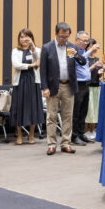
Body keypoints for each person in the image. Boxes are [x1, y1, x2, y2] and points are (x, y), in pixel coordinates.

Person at [40, 22, 87, 155]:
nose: (64, 40)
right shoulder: (47, 47)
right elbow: (42, 70)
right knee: (51, 116)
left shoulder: (72, 47)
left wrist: (76, 55)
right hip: (53, 86)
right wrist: (44, 87)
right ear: (56, 34)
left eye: (66, 37)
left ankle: (66, 143)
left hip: (69, 85)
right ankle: (51, 144)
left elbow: (83, 62)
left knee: (68, 116)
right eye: (61, 37)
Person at [10, 28, 42, 145]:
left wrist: (32, 47)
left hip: (33, 81)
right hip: (20, 81)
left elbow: (38, 61)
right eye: (22, 37)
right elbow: (16, 65)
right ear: (19, 39)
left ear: (31, 38)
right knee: (19, 107)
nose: (24, 39)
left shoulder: (37, 50)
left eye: (27, 37)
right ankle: (19, 135)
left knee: (33, 107)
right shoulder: (15, 51)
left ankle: (31, 134)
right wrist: (30, 65)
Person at [71, 31, 98, 146]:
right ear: (76, 40)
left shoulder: (83, 51)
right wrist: (90, 51)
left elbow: (85, 67)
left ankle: (81, 133)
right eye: (83, 40)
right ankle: (74, 135)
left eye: (87, 41)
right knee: (76, 111)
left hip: (86, 83)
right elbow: (80, 61)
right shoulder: (72, 50)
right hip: (77, 84)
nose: (85, 43)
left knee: (84, 111)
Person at [84, 38, 104, 141]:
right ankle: (85, 131)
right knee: (88, 110)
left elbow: (98, 73)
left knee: (95, 110)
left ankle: (92, 131)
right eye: (93, 45)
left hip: (97, 85)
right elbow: (85, 71)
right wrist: (95, 66)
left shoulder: (97, 59)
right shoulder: (85, 58)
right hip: (88, 86)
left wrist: (101, 72)